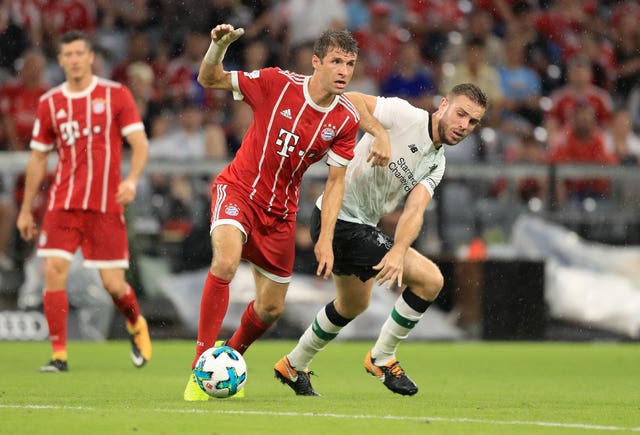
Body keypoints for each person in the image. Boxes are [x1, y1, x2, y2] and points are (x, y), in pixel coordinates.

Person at [183, 23, 389, 401]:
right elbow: (208, 77)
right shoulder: (277, 83)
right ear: (316, 63)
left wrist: (325, 240)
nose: (344, 70)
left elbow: (335, 183)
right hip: (239, 191)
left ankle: (228, 361)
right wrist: (217, 47)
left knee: (272, 308)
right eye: (336, 62)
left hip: (280, 214)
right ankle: (200, 368)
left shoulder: (344, 119)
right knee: (226, 264)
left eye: (350, 63)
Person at [274, 83, 488, 396]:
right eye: (460, 114)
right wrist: (380, 133)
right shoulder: (405, 115)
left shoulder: (436, 163)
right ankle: (382, 358)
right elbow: (349, 100)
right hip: (340, 218)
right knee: (431, 280)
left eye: (472, 122)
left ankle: (293, 364)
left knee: (352, 304)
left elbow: (415, 211)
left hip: (356, 226)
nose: (463, 126)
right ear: (443, 105)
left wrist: (399, 250)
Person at [16, 30, 152, 372]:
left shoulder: (116, 94)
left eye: (80, 53)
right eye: (68, 54)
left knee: (113, 285)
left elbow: (140, 144)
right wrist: (25, 210)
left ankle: (136, 324)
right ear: (60, 60)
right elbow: (37, 159)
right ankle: (59, 355)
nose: (75, 59)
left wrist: (132, 180)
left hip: (105, 206)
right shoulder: (50, 103)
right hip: (63, 204)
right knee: (53, 271)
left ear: (90, 57)